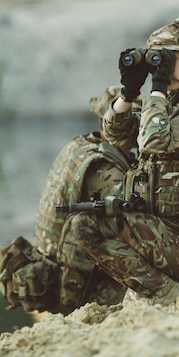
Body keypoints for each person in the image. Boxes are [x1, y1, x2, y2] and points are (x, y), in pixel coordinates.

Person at [68, 17, 179, 306]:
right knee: (85, 223)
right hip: (163, 231)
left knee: (90, 225)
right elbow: (118, 133)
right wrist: (128, 95)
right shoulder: (174, 105)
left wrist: (157, 89)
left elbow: (154, 139)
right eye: (157, 60)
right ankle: (167, 290)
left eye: (171, 58)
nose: (161, 67)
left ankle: (168, 296)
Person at [31, 86, 135, 313]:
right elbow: (137, 218)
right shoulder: (104, 168)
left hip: (51, 274)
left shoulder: (79, 146)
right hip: (74, 289)